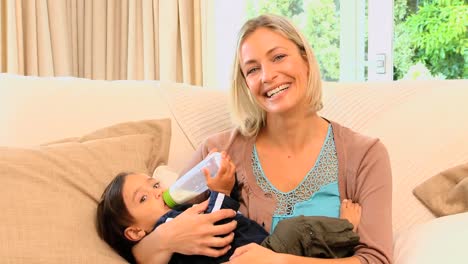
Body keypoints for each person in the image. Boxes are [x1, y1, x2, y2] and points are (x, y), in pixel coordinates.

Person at [132, 13, 393, 264]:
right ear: (245, 83)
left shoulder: (365, 155)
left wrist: (279, 261)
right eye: (253, 69)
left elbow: (376, 260)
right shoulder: (216, 154)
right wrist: (167, 238)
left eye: (279, 57)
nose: (268, 76)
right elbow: (146, 246)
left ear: (305, 59)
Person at [97, 153, 362, 263]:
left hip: (261, 251)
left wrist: (224, 188)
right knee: (297, 230)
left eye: (154, 186)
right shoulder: (167, 225)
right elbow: (215, 226)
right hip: (252, 253)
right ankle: (346, 231)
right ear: (134, 232)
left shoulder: (179, 213)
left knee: (298, 235)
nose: (157, 194)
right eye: (142, 199)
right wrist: (221, 191)